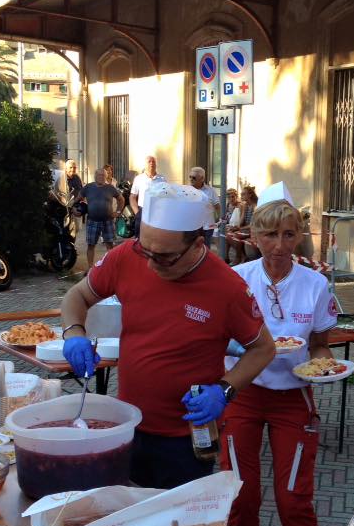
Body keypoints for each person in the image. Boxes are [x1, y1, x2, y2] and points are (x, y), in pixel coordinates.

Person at [61, 182, 275, 489]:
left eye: (163, 257)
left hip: (186, 439)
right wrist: (74, 334)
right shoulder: (126, 257)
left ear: (198, 244)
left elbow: (263, 349)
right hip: (127, 425)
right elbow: (76, 297)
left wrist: (225, 390)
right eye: (145, 249)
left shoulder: (227, 288)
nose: (149, 263)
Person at [220, 181, 338, 526]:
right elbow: (219, 337)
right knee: (240, 487)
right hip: (243, 391)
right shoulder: (235, 279)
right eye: (270, 234)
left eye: (289, 234)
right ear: (253, 236)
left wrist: (323, 366)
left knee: (293, 492)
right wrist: (236, 349)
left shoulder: (316, 283)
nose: (279, 245)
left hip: (294, 393)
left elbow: (320, 342)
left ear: (299, 236)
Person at [79, 168, 124, 268]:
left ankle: (111, 267)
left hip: (108, 221)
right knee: (91, 245)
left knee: (110, 245)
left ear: (106, 176)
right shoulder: (88, 187)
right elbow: (78, 199)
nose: (101, 177)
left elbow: (121, 199)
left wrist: (118, 212)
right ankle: (90, 268)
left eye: (103, 175)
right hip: (92, 221)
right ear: (95, 176)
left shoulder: (110, 187)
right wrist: (76, 209)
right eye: (99, 175)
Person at [129, 155, 166, 237]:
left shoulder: (162, 179)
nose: (152, 163)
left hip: (157, 211)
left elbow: (165, 196)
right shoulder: (139, 178)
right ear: (145, 165)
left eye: (154, 162)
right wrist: (137, 212)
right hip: (142, 210)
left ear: (156, 164)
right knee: (140, 237)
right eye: (149, 161)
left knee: (156, 237)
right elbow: (132, 197)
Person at [189, 166, 219, 247]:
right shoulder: (187, 191)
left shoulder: (211, 191)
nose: (191, 179)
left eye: (194, 177)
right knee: (193, 248)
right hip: (193, 226)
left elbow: (218, 207)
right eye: (190, 177)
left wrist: (218, 221)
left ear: (202, 178)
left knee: (206, 248)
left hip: (208, 226)